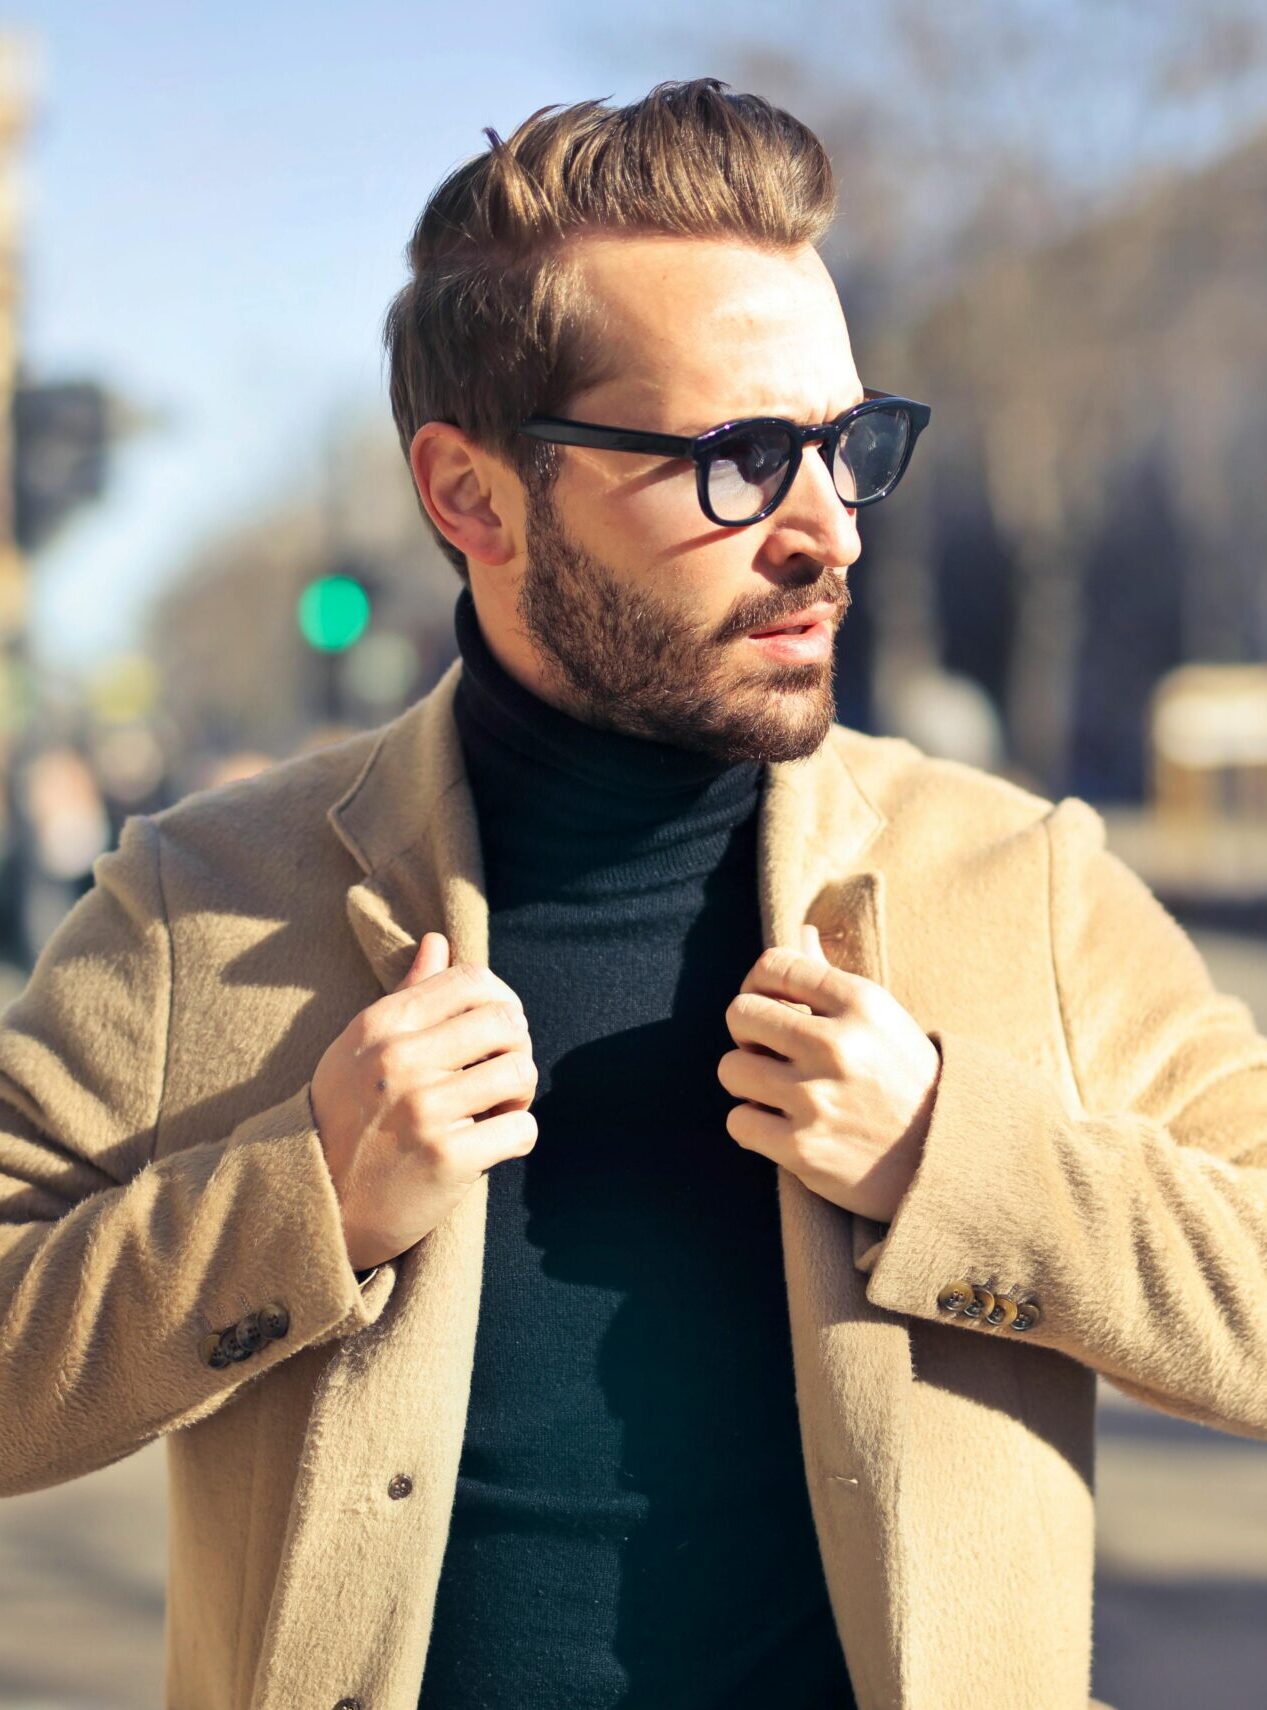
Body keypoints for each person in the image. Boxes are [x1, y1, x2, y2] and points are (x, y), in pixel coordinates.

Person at [0, 76, 1261, 1710]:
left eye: (847, 443)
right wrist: (297, 1197)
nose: (827, 530)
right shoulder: (206, 903)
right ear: (472, 496)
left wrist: (970, 1159)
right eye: (739, 458)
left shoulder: (1021, 882)